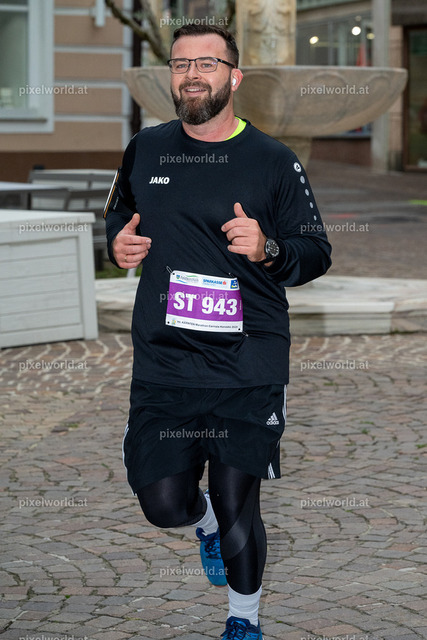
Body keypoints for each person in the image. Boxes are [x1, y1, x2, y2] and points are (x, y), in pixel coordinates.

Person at [104, 23, 331, 640]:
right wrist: (118, 243)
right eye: (181, 64)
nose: (192, 74)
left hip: (247, 359)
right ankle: (199, 521)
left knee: (238, 499)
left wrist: (268, 249)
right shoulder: (145, 148)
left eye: (207, 63)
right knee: (163, 504)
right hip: (166, 359)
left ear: (235, 77)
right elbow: (118, 213)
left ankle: (243, 620)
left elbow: (315, 252)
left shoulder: (273, 160)